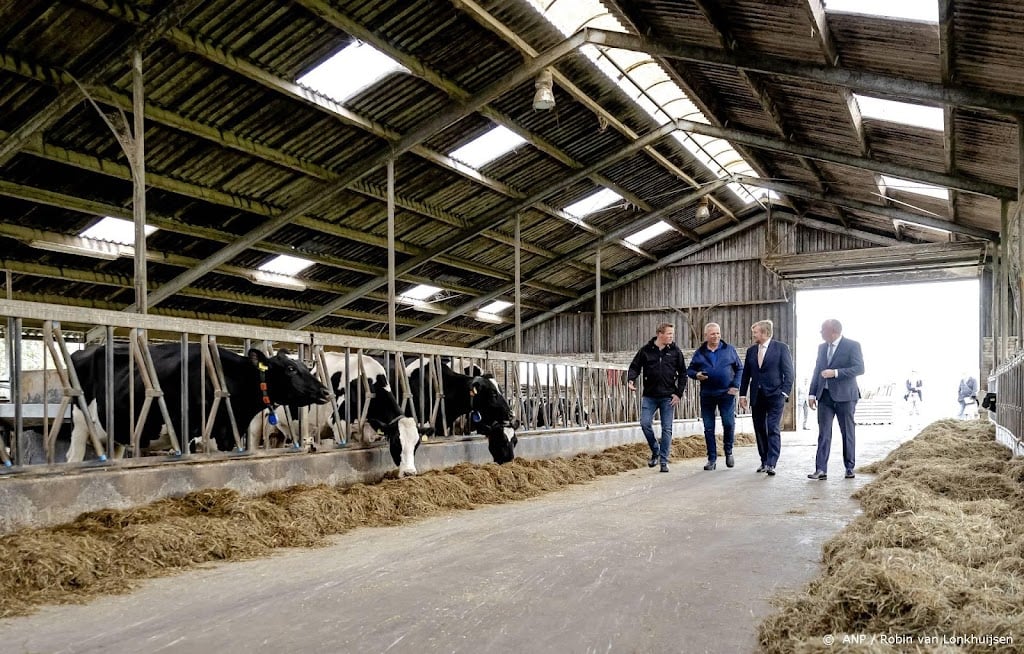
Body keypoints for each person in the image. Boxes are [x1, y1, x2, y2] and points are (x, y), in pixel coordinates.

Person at [806, 319, 865, 481]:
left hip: (846, 396)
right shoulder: (822, 347)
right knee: (823, 433)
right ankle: (820, 469)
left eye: (822, 330)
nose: (820, 333)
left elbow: (859, 368)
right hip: (824, 396)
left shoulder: (852, 345)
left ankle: (849, 467)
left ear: (833, 331)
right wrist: (812, 394)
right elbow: (817, 370)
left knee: (847, 432)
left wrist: (836, 373)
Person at [627, 323, 687, 473]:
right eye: (669, 334)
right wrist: (631, 379)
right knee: (645, 423)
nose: (672, 337)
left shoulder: (675, 351)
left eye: (672, 334)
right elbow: (635, 366)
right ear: (660, 334)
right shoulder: (646, 350)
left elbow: (683, 374)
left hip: (668, 397)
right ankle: (656, 450)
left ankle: (664, 461)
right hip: (650, 396)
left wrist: (678, 393)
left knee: (667, 429)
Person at [739, 320, 794, 476]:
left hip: (775, 395)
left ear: (764, 333)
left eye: (755, 332)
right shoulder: (751, 351)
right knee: (759, 428)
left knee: (772, 427)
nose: (753, 335)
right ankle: (763, 460)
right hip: (757, 395)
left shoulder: (781, 348)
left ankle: (772, 463)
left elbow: (789, 373)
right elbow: (746, 375)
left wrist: (784, 393)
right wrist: (743, 394)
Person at [687, 322, 743, 470]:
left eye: (718, 333)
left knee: (728, 423)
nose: (716, 336)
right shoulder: (700, 352)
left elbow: (739, 368)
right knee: (709, 427)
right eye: (713, 334)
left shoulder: (729, 350)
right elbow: (690, 370)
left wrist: (735, 385)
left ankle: (728, 451)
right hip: (707, 394)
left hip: (726, 394)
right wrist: (696, 374)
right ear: (706, 336)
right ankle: (711, 459)